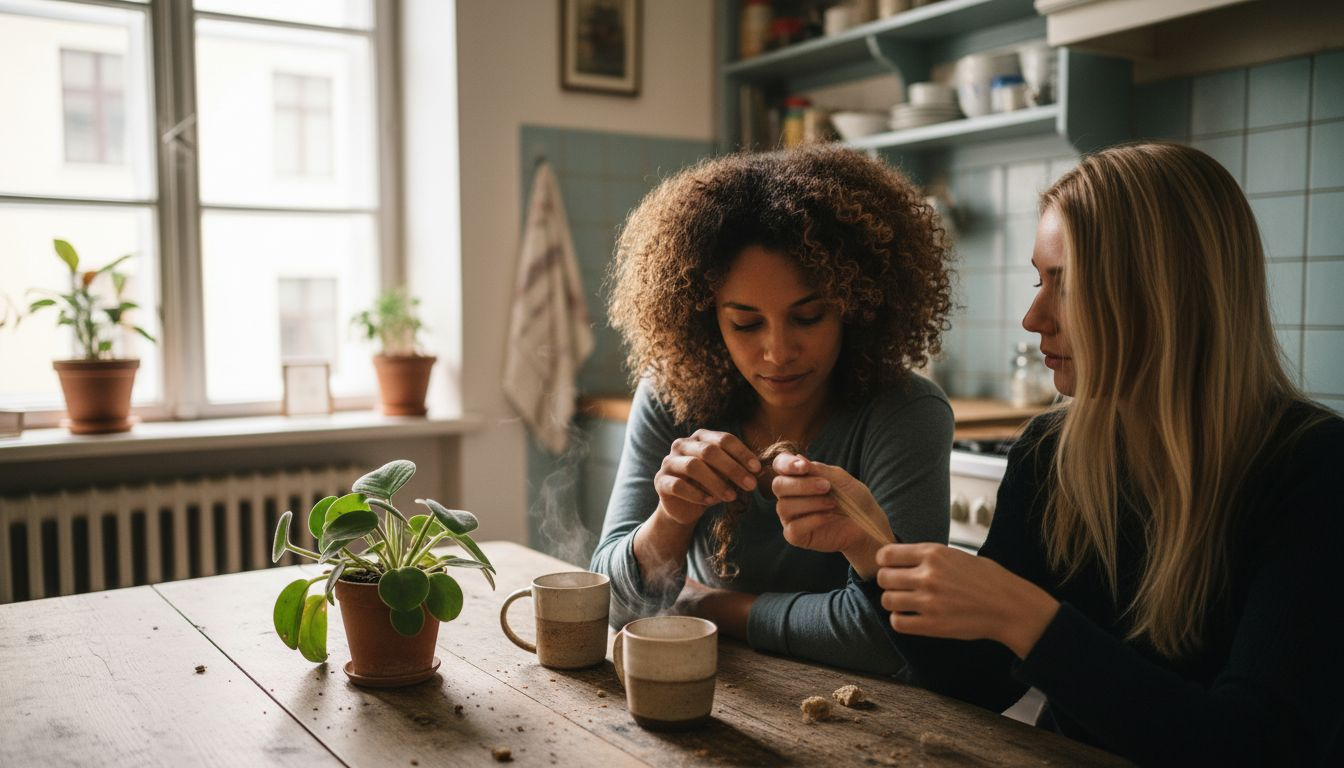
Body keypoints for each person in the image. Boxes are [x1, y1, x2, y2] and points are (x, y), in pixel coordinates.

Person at [771, 142, 1344, 765]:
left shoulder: (1314, 468)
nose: (1033, 317)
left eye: (1067, 285)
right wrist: (870, 549)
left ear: (1169, 295)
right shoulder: (1051, 454)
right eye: (1038, 280)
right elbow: (978, 680)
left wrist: (1028, 619)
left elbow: (1255, 746)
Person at [589, 145, 954, 675]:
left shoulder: (907, 413)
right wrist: (672, 516)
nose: (779, 352)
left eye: (808, 317)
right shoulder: (671, 396)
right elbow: (613, 604)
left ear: (857, 307)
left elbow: (892, 635)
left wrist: (710, 605)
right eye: (746, 323)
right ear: (704, 317)